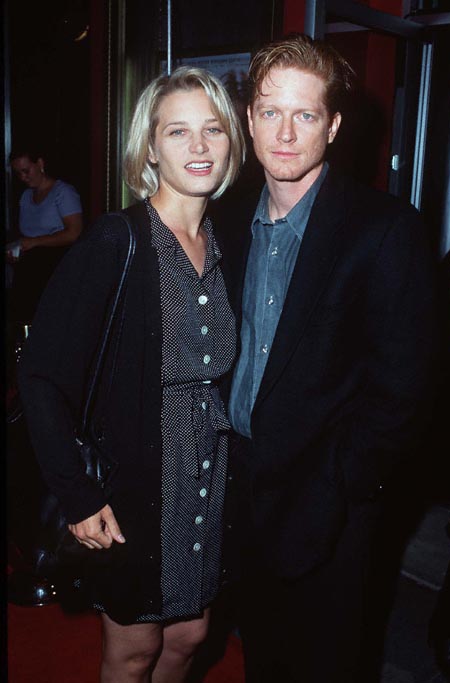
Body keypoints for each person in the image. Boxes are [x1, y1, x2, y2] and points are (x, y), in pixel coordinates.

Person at [217, 34, 437, 682]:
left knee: (328, 664)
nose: (285, 133)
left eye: (306, 114)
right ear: (250, 119)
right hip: (240, 492)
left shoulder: (387, 229)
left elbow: (404, 390)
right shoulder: (225, 221)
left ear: (334, 125)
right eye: (270, 111)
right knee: (261, 655)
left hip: (328, 503)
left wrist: (339, 487)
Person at [18, 66, 245, 683]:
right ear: (149, 147)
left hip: (208, 477)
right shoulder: (116, 242)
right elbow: (39, 377)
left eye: (212, 129)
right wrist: (78, 493)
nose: (198, 147)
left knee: (191, 633)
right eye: (178, 132)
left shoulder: (231, 246)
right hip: (135, 483)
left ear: (232, 142)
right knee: (135, 645)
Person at [7, 148, 83, 321]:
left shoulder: (63, 192)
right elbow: (25, 234)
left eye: (26, 171)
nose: (23, 178)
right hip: (29, 268)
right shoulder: (26, 196)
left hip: (55, 267)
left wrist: (35, 242)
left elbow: (74, 233)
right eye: (19, 173)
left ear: (40, 164)